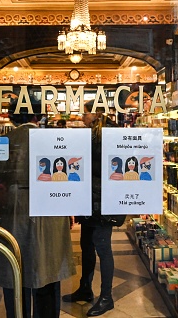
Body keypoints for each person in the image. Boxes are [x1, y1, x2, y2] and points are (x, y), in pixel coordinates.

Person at [0, 99, 75, 318]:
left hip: (12, 212)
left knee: (15, 269)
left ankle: (18, 313)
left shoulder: (3, 141)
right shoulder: (54, 141)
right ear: (38, 116)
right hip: (49, 208)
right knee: (48, 267)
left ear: (12, 116)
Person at [62, 101, 126, 317]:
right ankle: (85, 288)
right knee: (86, 245)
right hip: (89, 199)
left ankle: (107, 298)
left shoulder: (107, 135)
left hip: (103, 201)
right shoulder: (93, 134)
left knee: (102, 247)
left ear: (96, 114)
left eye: (85, 113)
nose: (82, 117)